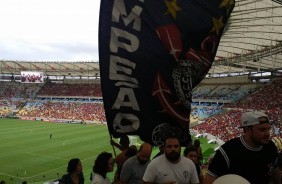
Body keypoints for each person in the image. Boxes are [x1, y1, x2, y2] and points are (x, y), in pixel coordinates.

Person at [205, 111, 281, 184]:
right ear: (247, 130)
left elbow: (275, 171)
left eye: (268, 129)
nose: (268, 134)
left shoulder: (270, 146)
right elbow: (210, 178)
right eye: (262, 130)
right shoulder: (228, 150)